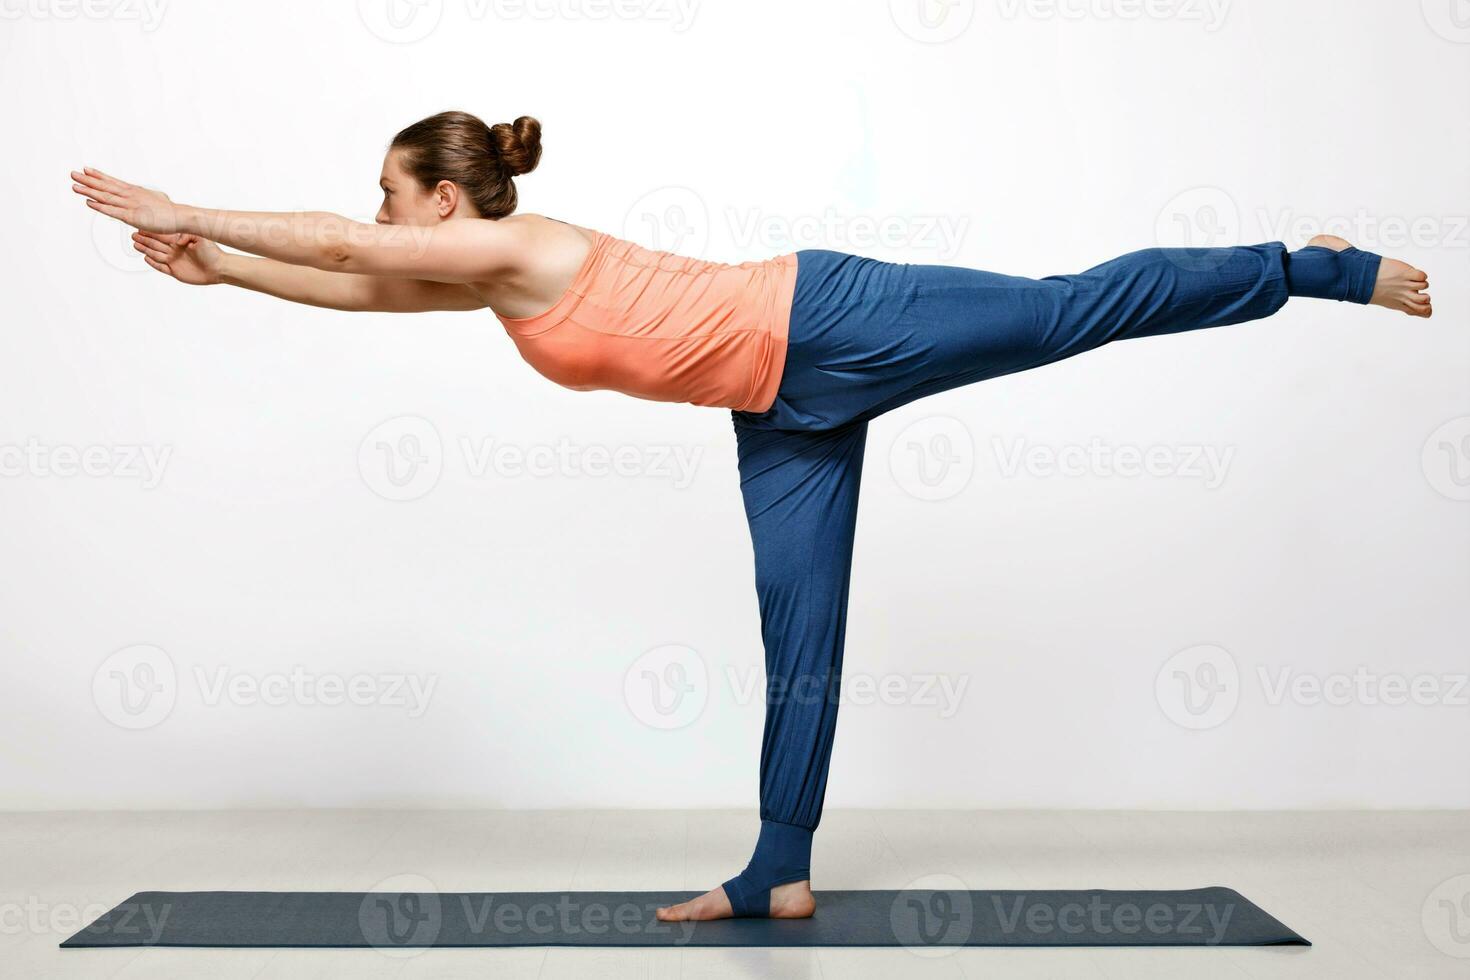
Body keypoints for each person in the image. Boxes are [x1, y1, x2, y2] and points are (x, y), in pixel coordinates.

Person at [72, 110, 1432, 923]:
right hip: (780, 409)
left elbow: (358, 250)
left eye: (388, 192)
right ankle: (778, 867)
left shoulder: (515, 244)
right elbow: (363, 287)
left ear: (442, 198)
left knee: (1065, 309)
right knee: (799, 632)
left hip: (830, 315)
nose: (377, 213)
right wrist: (221, 275)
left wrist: (194, 209)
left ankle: (1306, 265)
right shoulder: (484, 281)